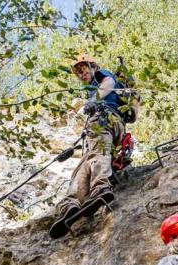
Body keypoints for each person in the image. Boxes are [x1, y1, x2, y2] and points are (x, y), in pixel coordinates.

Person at [49, 54, 129, 239]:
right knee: (83, 167)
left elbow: (109, 82)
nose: (80, 74)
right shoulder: (91, 87)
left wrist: (94, 100)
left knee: (97, 153)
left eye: (83, 69)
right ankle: (71, 204)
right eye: (77, 72)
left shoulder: (101, 75)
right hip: (109, 126)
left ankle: (100, 187)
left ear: (92, 66)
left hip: (103, 120)